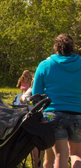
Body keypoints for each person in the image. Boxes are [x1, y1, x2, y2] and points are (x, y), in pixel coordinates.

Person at [32, 33, 81, 168]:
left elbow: (36, 94)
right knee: (76, 154)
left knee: (60, 154)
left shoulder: (45, 65)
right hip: (78, 113)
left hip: (53, 113)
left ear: (56, 47)